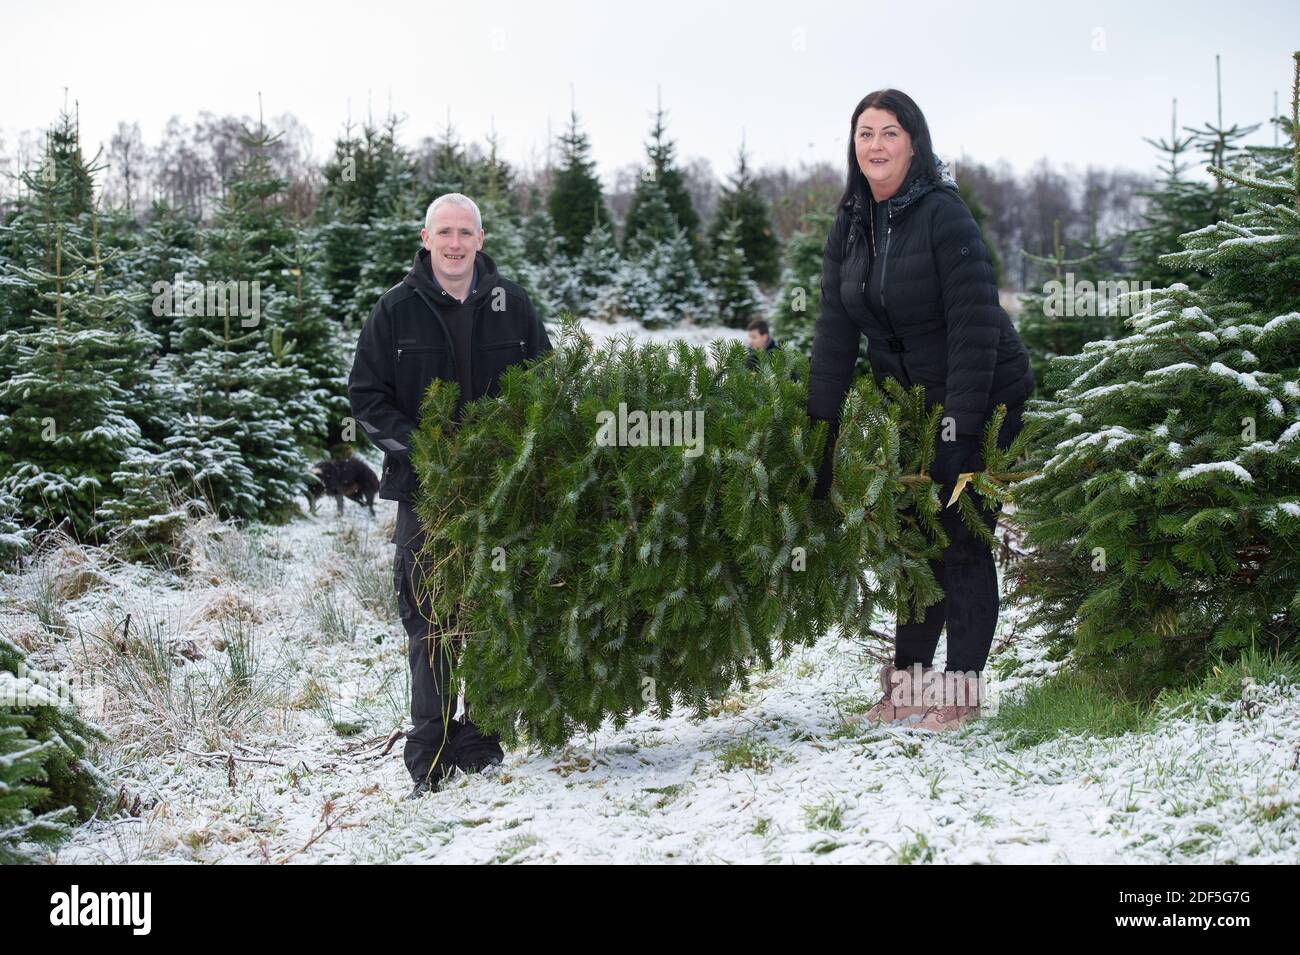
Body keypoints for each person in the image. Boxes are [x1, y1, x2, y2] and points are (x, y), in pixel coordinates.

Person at [807, 89, 1034, 732]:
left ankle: (959, 696)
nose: (875, 146)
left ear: (914, 142)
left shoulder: (943, 216)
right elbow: (832, 337)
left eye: (889, 133)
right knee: (912, 540)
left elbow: (974, 329)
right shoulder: (851, 224)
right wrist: (818, 437)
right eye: (865, 134)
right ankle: (907, 685)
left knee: (959, 538)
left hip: (983, 394)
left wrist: (960, 430)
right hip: (908, 405)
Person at [348, 193, 552, 796]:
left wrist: (517, 452)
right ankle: (430, 753)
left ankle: (481, 738)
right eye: (446, 232)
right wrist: (426, 448)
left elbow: (546, 388)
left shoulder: (512, 306)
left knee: (492, 607)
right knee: (430, 616)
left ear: (481, 239)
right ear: (426, 237)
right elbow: (368, 399)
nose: (456, 243)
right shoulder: (395, 311)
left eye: (466, 232)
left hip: (501, 490)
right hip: (426, 490)